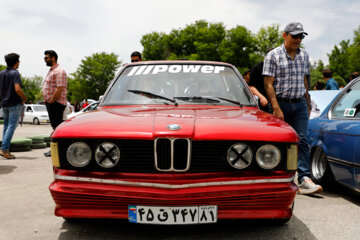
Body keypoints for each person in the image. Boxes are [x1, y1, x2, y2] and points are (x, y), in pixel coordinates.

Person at [263, 22, 322, 195]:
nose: (298, 39)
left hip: (300, 104)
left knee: (303, 139)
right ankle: (277, 178)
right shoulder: (273, 55)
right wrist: (275, 106)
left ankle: (304, 179)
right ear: (284, 35)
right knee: (279, 140)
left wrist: (308, 101)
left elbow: (305, 80)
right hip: (280, 102)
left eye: (301, 36)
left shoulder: (304, 55)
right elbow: (268, 83)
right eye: (294, 36)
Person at [0, 53, 27, 159]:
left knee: (6, 127)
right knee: (11, 127)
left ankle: (3, 149)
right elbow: (17, 89)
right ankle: (5, 150)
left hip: (4, 104)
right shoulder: (15, 73)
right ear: (16, 62)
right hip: (14, 104)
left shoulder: (1, 73)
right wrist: (24, 98)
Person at [42, 50, 67, 157]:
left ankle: (58, 150)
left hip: (56, 103)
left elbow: (60, 88)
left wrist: (51, 101)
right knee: (55, 127)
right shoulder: (52, 71)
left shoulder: (59, 71)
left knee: (57, 128)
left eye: (46, 58)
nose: (45, 60)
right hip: (51, 103)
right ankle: (57, 150)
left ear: (53, 58)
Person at [249, 48, 274, 113]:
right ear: (265, 56)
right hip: (262, 103)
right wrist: (261, 97)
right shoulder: (257, 68)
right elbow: (251, 87)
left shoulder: (278, 68)